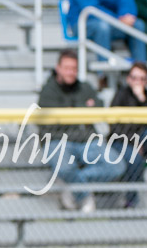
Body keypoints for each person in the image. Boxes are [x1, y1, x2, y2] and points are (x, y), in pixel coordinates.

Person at [38, 49, 127, 212]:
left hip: (86, 140)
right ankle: (83, 195)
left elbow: (99, 107)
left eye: (74, 68)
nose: (71, 72)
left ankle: (72, 185)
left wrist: (72, 111)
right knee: (64, 167)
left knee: (117, 166)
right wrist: (83, 109)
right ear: (58, 68)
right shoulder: (48, 91)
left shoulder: (84, 87)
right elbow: (51, 126)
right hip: (58, 140)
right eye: (67, 68)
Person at [109, 62, 147, 207]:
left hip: (143, 140)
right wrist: (134, 142)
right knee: (134, 159)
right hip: (122, 141)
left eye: (142, 78)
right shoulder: (120, 95)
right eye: (134, 78)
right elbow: (115, 128)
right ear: (128, 79)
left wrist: (141, 99)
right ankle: (131, 199)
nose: (138, 82)